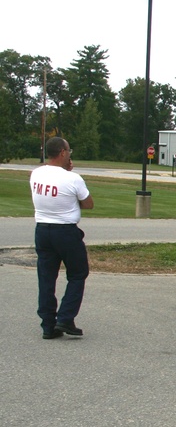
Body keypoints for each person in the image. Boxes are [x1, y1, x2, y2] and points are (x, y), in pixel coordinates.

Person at [30, 137, 94, 339]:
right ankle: (65, 318)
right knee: (77, 273)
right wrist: (69, 173)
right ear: (63, 153)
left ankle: (48, 324)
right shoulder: (73, 178)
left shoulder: (36, 174)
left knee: (47, 277)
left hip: (42, 229)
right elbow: (88, 203)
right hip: (65, 231)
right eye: (69, 151)